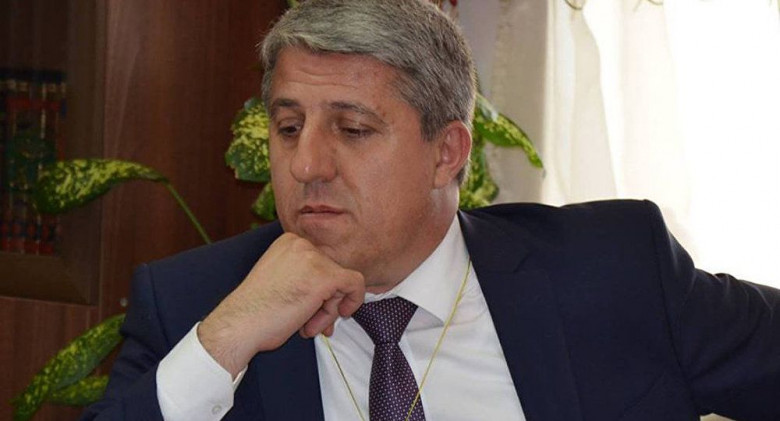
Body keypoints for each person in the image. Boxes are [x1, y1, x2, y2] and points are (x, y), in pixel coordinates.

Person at [82, 0, 780, 420]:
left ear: (447, 153)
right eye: (289, 127)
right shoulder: (197, 304)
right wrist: (225, 340)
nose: (306, 164)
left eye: (353, 129)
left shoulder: (612, 272)